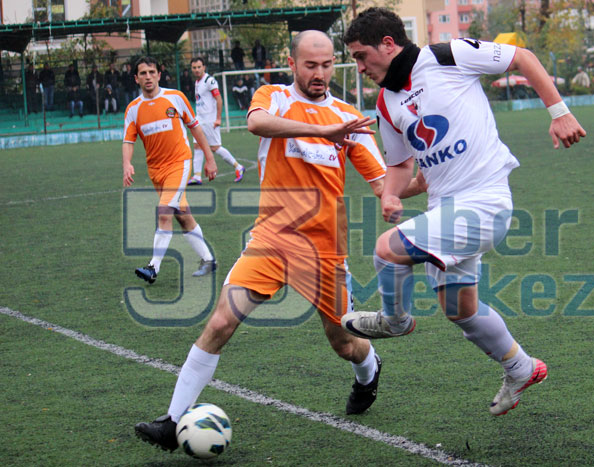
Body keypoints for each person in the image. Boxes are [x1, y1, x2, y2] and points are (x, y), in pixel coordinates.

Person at [133, 30, 425, 452]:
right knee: (221, 322)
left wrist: (414, 186)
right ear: (292, 64)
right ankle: (172, 420)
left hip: (324, 250)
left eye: (327, 65)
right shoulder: (273, 97)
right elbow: (256, 123)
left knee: (344, 342)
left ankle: (369, 371)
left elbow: (384, 184)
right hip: (270, 241)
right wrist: (323, 131)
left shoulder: (349, 118)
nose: (320, 73)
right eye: (310, 65)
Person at [341, 7, 586, 416]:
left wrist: (559, 113)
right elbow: (400, 166)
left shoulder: (447, 55)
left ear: (387, 44)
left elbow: (522, 58)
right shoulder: (387, 101)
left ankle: (393, 321)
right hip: (445, 209)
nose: (360, 67)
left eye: (361, 56)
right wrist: (390, 195)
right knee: (460, 310)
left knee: (387, 250)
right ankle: (521, 368)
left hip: (485, 202)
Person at [122, 56, 219, 284]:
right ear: (136, 78)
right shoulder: (133, 109)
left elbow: (195, 128)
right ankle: (208, 260)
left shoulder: (175, 97)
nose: (148, 77)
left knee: (164, 212)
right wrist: (127, 163)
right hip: (156, 171)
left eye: (152, 72)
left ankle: (152, 267)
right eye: (143, 73)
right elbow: (128, 140)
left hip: (179, 163)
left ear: (159, 75)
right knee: (182, 216)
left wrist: (210, 158)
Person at [187, 57, 245, 186]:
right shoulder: (197, 82)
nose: (196, 70)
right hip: (200, 119)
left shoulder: (209, 80)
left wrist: (218, 118)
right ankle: (197, 176)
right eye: (194, 67)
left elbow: (219, 99)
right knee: (197, 145)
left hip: (209, 120)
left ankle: (238, 167)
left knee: (215, 147)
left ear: (204, 67)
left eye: (199, 67)